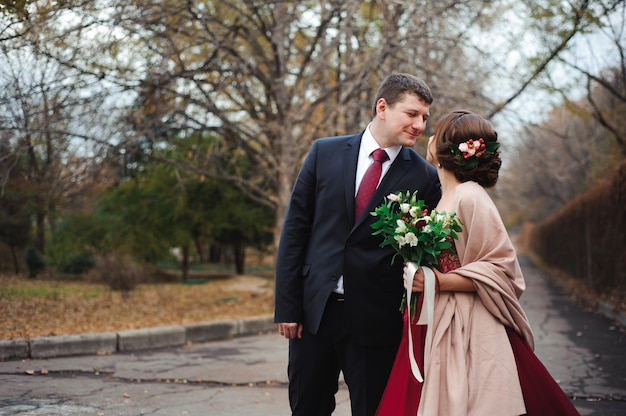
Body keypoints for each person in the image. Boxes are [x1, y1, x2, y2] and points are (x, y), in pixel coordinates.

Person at [376, 109, 580, 415]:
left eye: (437, 131)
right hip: (438, 318)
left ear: (447, 149)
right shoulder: (447, 197)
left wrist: (438, 281)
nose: (428, 135)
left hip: (466, 325)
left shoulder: (470, 196)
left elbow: (501, 268)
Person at [274, 73, 442, 416]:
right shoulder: (325, 152)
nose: (420, 124)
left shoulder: (425, 177)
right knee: (306, 407)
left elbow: (430, 251)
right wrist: (287, 306)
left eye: (424, 117)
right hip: (313, 314)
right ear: (382, 107)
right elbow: (296, 231)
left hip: (376, 321)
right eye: (412, 114)